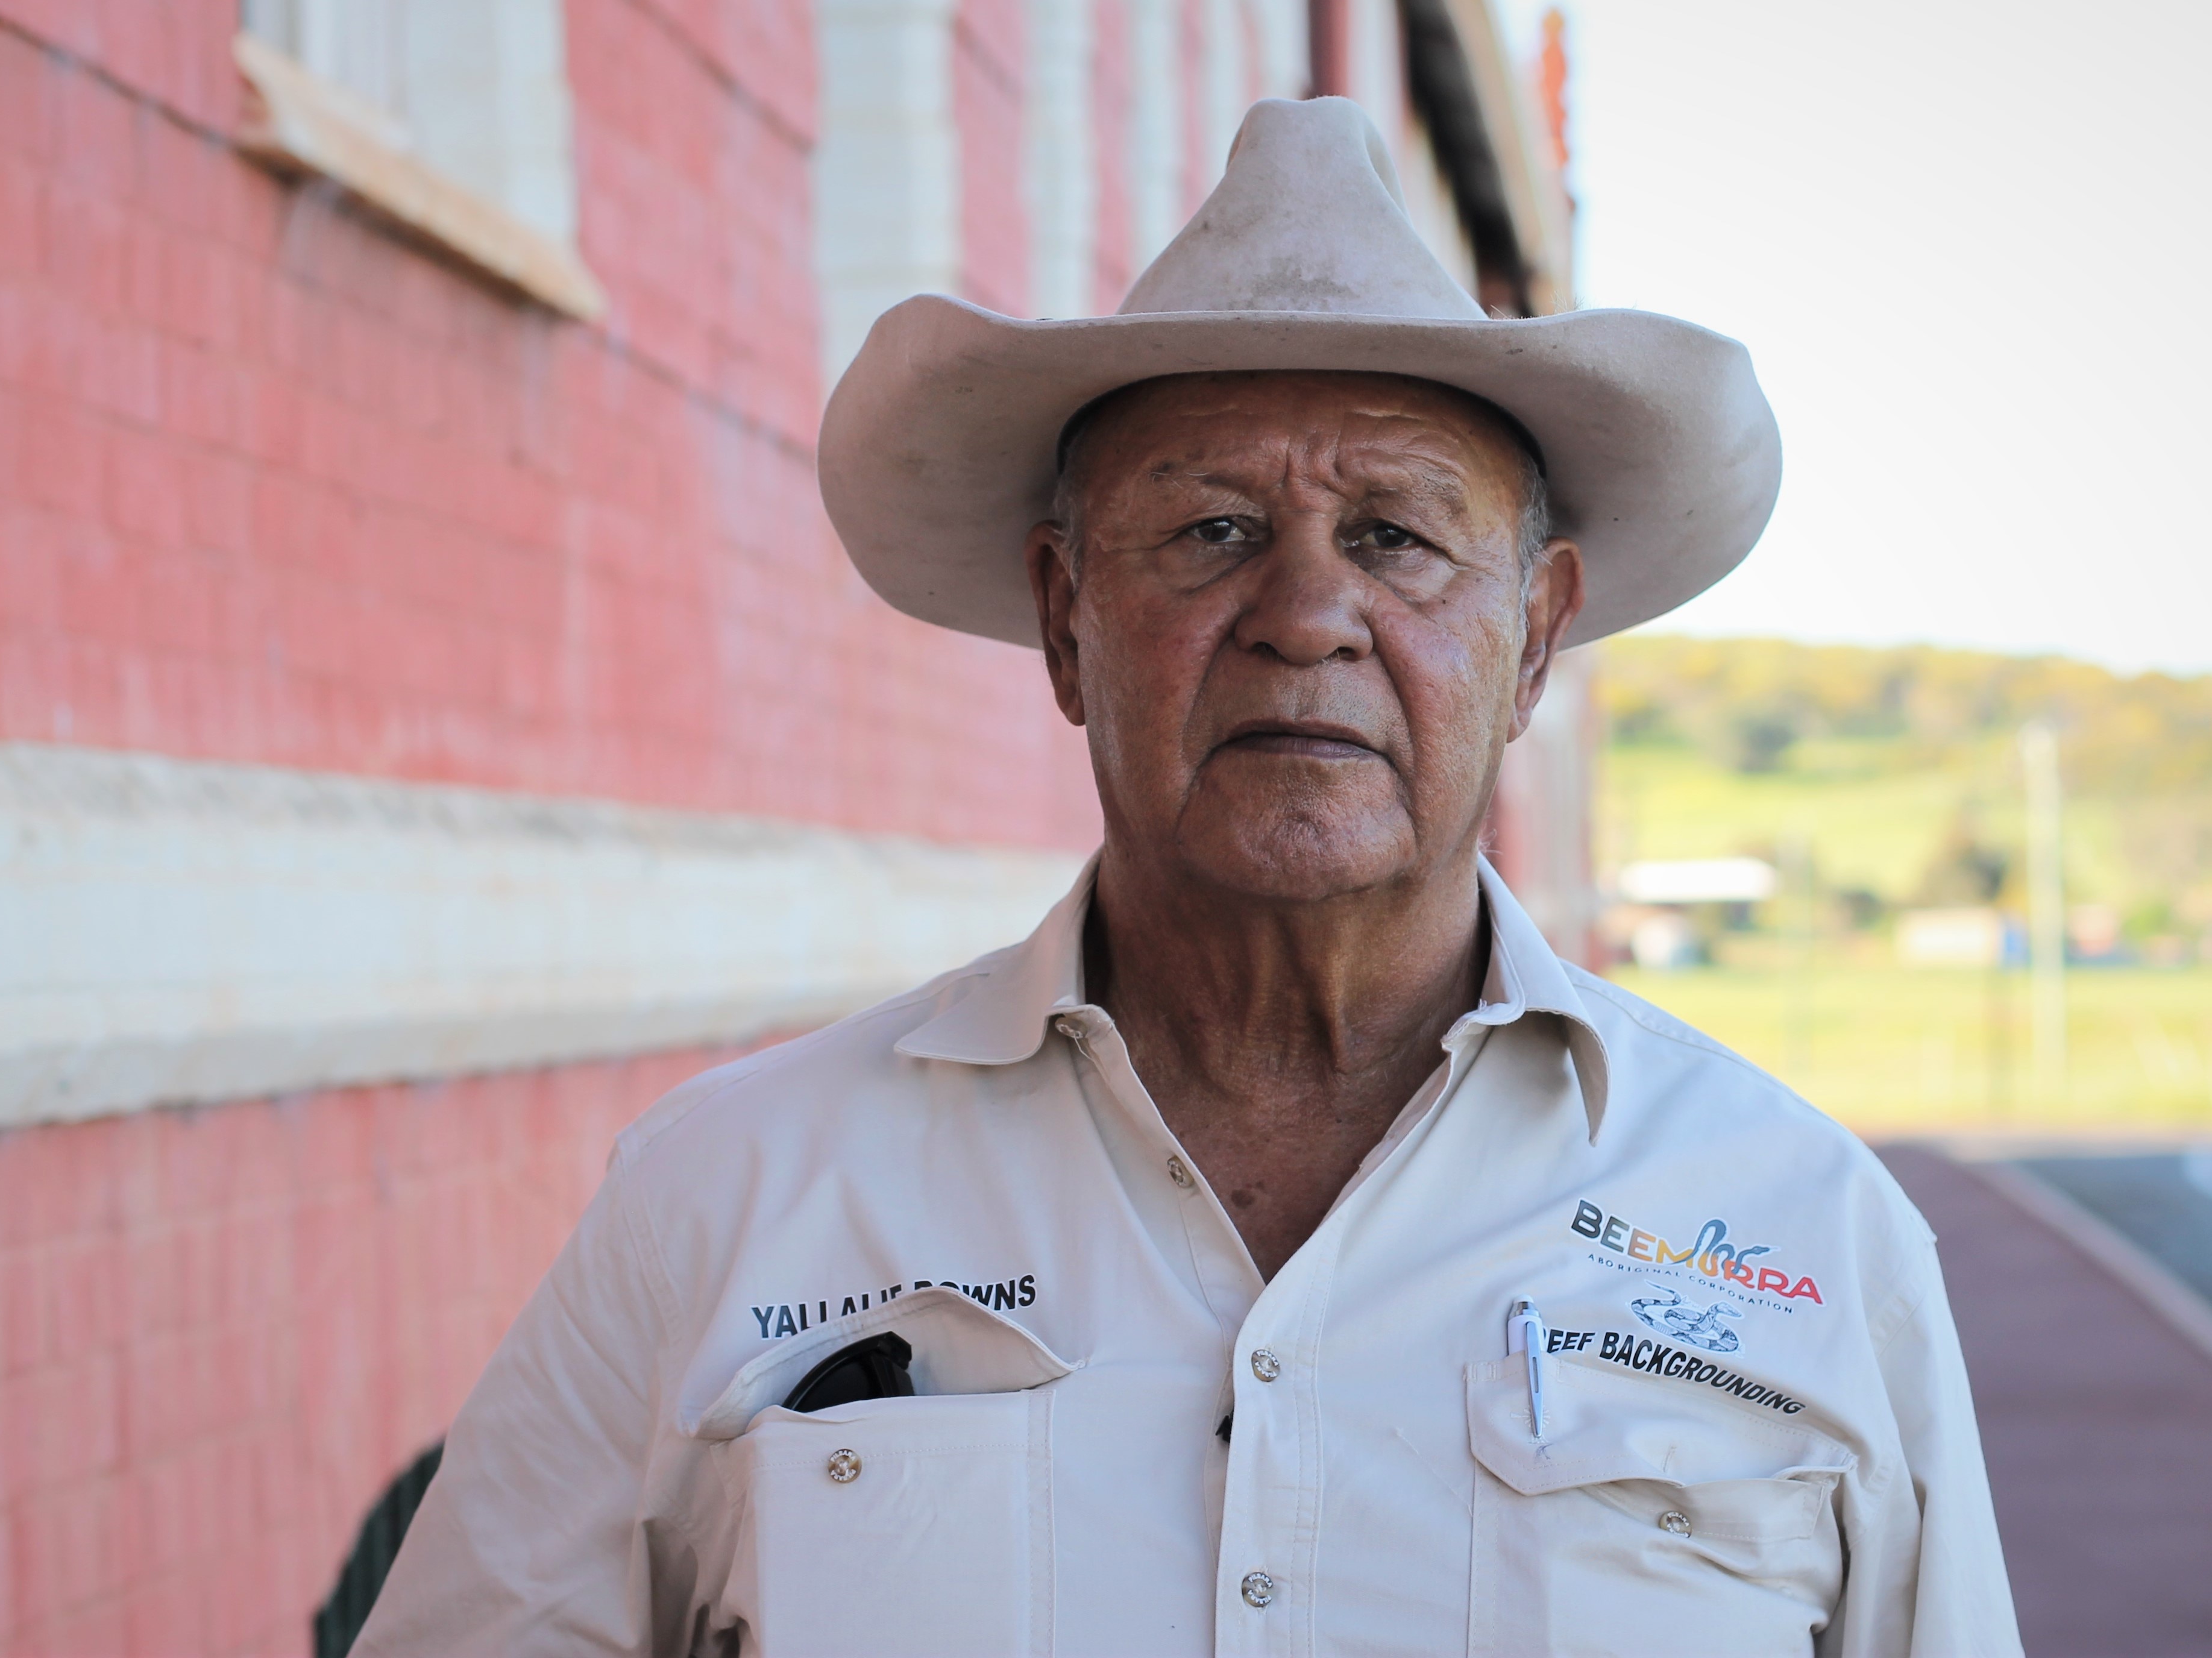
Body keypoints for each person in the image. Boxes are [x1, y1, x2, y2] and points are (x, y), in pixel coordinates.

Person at [354, 97, 2020, 1657]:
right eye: (1211, 531)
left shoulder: (1809, 1240)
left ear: (1535, 646)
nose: (1306, 615)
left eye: (1398, 536)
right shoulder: (727, 1198)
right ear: (1067, 621)